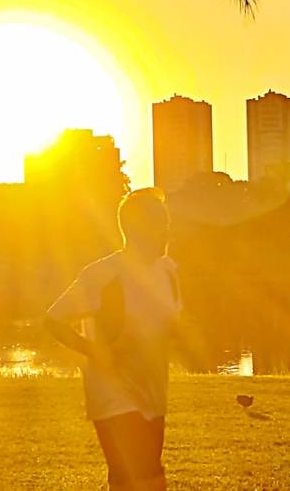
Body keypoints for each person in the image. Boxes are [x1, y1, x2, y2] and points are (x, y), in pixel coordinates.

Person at [44, 188, 182, 491]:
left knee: (131, 478)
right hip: (112, 393)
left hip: (153, 392)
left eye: (167, 223)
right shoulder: (103, 275)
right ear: (137, 228)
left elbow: (170, 323)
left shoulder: (168, 271)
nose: (167, 232)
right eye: (162, 224)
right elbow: (53, 319)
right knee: (146, 476)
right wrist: (96, 351)